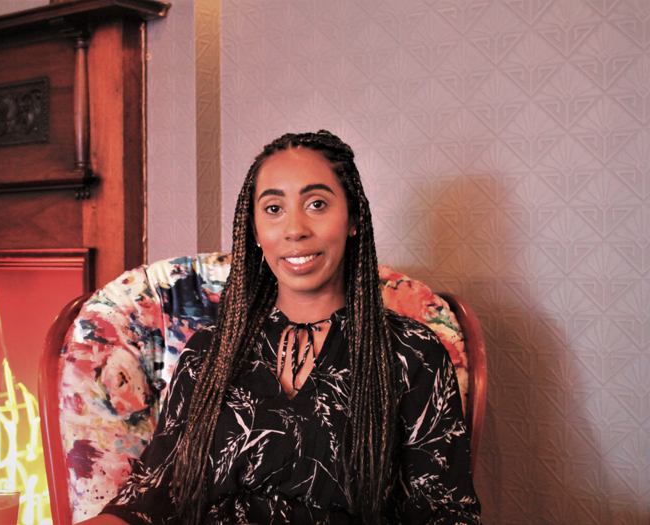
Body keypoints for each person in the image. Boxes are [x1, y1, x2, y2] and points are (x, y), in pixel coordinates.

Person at [81, 131, 481, 524]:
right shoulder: (208, 352)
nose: (294, 229)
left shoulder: (411, 354)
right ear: (255, 230)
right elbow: (150, 497)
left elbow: (444, 512)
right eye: (273, 209)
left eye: (317, 204)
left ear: (353, 218)